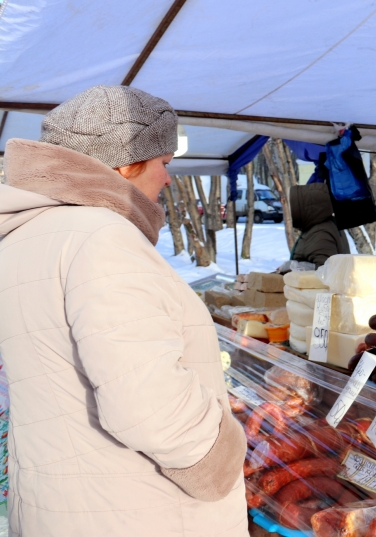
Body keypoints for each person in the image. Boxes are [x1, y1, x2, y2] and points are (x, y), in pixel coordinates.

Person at [0, 86, 248, 536]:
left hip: (63, 503)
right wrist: (221, 454)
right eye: (164, 163)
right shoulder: (100, 237)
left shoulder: (27, 235)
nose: (168, 179)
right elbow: (148, 402)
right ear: (126, 164)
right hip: (137, 511)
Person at [287, 182, 351, 268]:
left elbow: (323, 273)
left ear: (306, 208)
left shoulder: (321, 234)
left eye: (294, 206)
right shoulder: (322, 225)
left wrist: (293, 267)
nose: (291, 211)